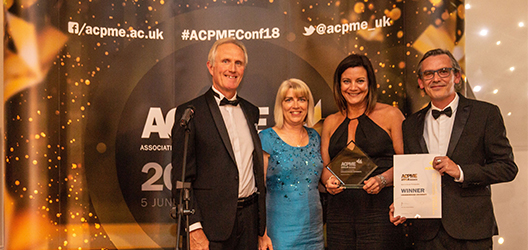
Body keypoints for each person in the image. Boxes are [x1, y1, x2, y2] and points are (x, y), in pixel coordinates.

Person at [390, 48, 518, 249]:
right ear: (421, 82)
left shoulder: (485, 114)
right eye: (428, 74)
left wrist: (460, 171)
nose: (436, 78)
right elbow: (412, 173)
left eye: (443, 71)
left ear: (456, 76)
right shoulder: (410, 124)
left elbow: (507, 168)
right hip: (426, 232)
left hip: (472, 228)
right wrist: (402, 201)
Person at [172, 37, 265, 250]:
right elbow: (181, 179)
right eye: (225, 61)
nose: (232, 69)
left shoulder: (252, 111)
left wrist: (261, 226)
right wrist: (194, 228)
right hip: (210, 228)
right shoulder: (190, 113)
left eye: (238, 63)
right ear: (210, 67)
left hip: (249, 223)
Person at [321, 54, 406, 249]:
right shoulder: (330, 122)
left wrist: (383, 180)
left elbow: (407, 163)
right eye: (346, 81)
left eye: (360, 81)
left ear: (370, 84)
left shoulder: (391, 115)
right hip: (339, 214)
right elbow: (324, 166)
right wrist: (328, 181)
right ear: (339, 85)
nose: (353, 87)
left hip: (381, 212)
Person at [258, 79, 324, 250]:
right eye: (289, 100)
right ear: (281, 105)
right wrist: (262, 234)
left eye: (301, 99)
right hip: (279, 233)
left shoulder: (315, 137)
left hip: (314, 232)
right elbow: (258, 189)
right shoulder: (267, 138)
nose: (296, 105)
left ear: (308, 104)